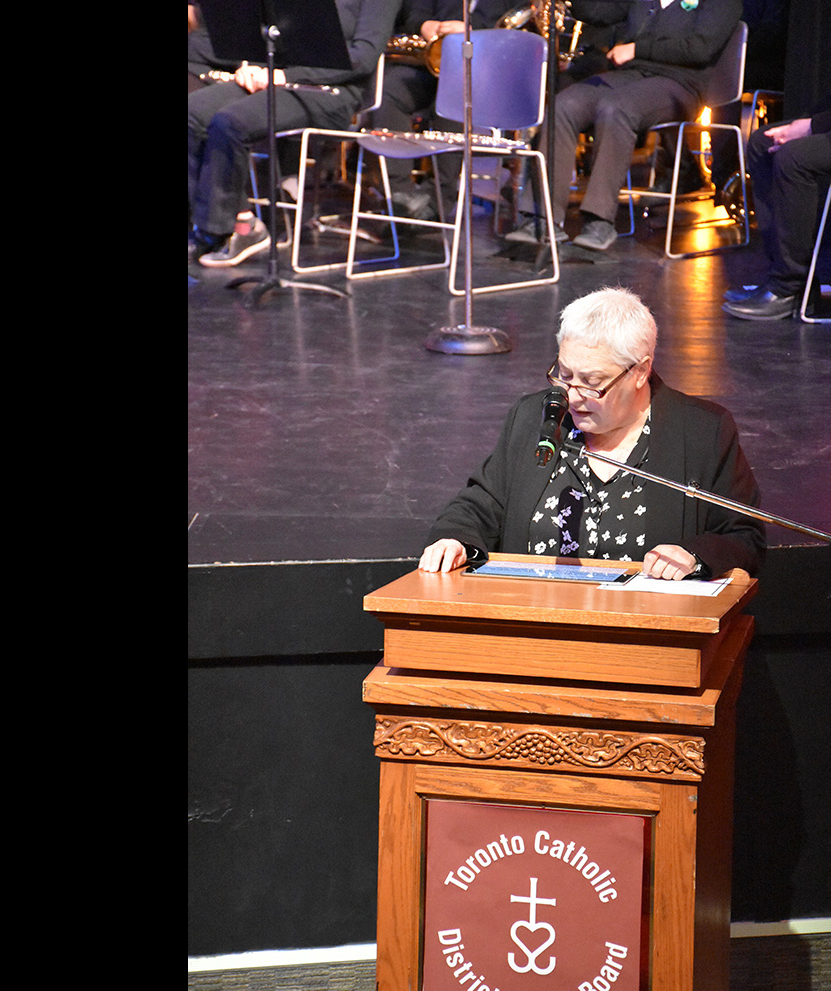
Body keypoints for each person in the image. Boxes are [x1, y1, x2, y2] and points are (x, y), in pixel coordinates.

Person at [420, 286, 766, 580]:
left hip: (643, 634)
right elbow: (481, 504)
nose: (571, 395)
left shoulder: (700, 431)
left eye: (592, 382)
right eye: (565, 374)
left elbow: (743, 535)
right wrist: (456, 539)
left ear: (640, 371)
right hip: (533, 629)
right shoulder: (535, 417)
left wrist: (694, 554)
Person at [505, 0, 742, 252]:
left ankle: (599, 220)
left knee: (616, 108)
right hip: (629, 75)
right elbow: (601, 11)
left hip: (681, 83)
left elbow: (699, 49)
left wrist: (637, 49)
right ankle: (542, 217)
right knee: (565, 105)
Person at [188, 0, 401, 267]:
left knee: (231, 122)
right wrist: (252, 64)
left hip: (333, 91)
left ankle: (224, 232)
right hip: (279, 75)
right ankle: (234, 223)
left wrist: (284, 75)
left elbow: (363, 57)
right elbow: (274, 33)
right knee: (192, 113)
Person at [722, 13, 831, 320]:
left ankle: (788, 286)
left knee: (795, 157)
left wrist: (812, 127)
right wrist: (805, 121)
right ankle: (792, 281)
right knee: (764, 142)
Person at [371, 0, 518, 220]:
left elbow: (518, 24)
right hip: (434, 64)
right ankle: (400, 196)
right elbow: (415, 9)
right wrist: (423, 24)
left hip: (489, 71)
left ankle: (437, 200)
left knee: (457, 92)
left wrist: (472, 30)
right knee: (388, 90)